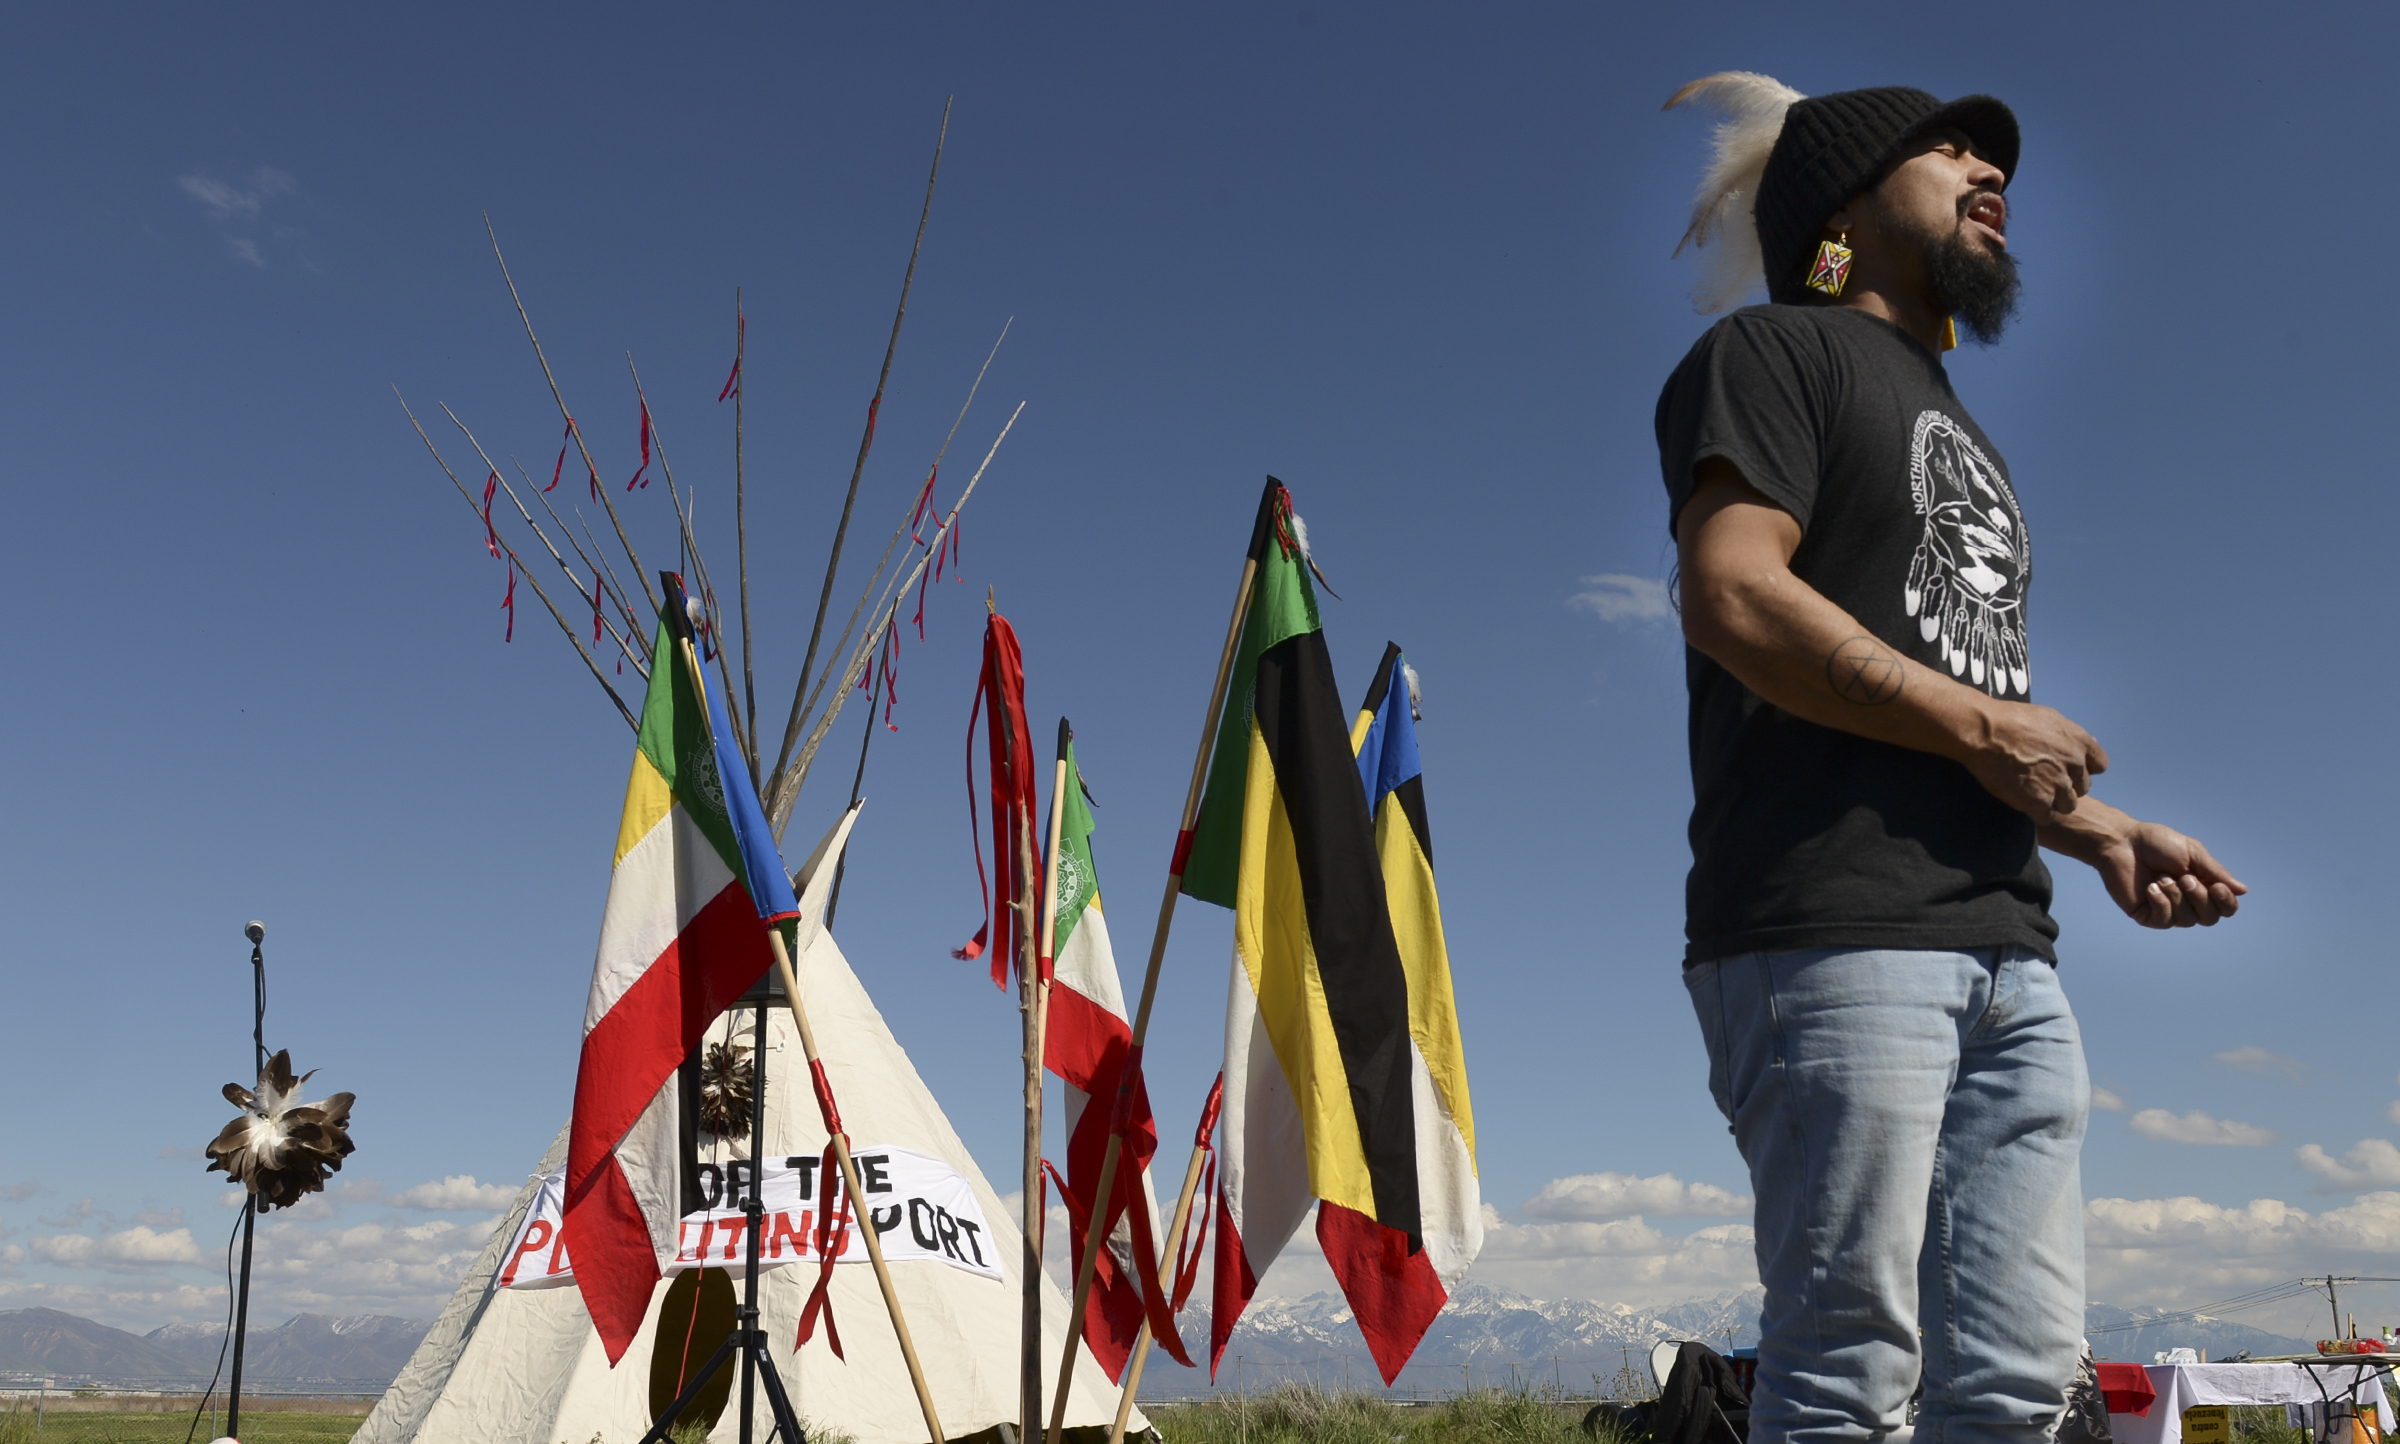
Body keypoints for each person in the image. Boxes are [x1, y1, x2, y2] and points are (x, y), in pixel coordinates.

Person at [1652, 76, 2247, 1444]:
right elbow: (1733, 593)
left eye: (1998, 155)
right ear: (1845, 207)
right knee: (1847, 1378)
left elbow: (1947, 721)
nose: (1993, 168)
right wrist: (1990, 725)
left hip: (2010, 956)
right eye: (1951, 148)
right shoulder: (1774, 354)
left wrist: (2103, 832)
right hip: (1829, 937)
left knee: (2022, 1390)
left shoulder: (1966, 434)